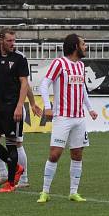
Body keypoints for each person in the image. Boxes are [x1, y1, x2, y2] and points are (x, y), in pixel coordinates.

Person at [36, 34, 98, 204]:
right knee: (55, 154)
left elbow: (82, 89)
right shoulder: (59, 63)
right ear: (75, 46)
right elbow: (44, 84)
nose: (86, 47)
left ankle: (73, 192)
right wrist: (47, 107)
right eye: (83, 44)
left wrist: (90, 109)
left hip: (79, 118)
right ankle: (45, 191)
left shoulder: (80, 66)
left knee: (77, 154)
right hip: (62, 117)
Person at [0, 27, 39, 193]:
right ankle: (14, 168)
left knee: (14, 144)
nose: (12, 43)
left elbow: (25, 83)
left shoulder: (19, 58)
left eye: (13, 40)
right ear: (1, 40)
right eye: (9, 40)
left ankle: (16, 180)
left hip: (13, 108)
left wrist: (24, 104)